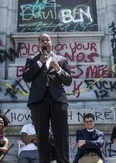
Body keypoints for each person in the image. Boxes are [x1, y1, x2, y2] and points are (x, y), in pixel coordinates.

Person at [23, 33, 73, 163]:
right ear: (38, 44)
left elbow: (68, 81)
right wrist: (40, 62)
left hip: (58, 100)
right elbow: (26, 77)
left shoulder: (61, 60)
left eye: (47, 40)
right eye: (42, 40)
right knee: (42, 136)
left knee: (61, 134)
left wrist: (58, 69)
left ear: (51, 43)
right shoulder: (32, 60)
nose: (45, 42)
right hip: (38, 101)